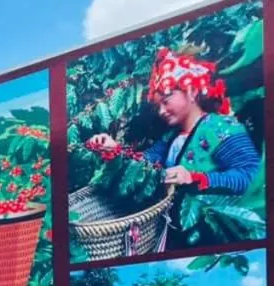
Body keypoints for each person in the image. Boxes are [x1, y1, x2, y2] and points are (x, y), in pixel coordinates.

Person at [87, 47, 261, 247]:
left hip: (210, 236)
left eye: (166, 100)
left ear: (192, 91)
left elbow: (250, 175)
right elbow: (146, 164)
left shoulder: (222, 128)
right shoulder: (170, 137)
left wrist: (197, 178)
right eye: (157, 105)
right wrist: (114, 150)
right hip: (170, 232)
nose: (161, 111)